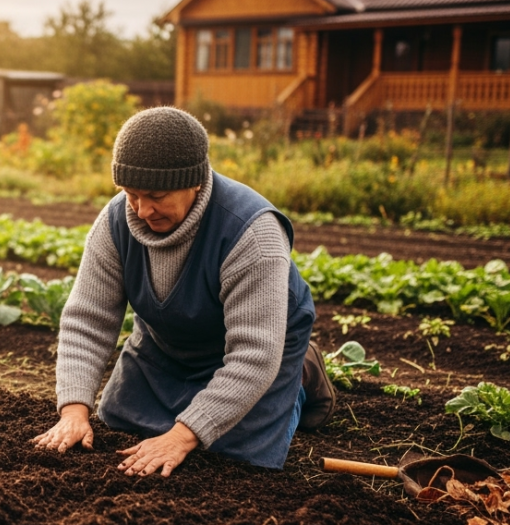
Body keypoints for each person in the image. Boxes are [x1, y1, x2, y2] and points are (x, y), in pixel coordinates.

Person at [31, 107, 334, 476]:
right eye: (130, 194)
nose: (142, 210)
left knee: (230, 456)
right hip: (168, 340)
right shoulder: (115, 222)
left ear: (195, 182)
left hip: (258, 344)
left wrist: (182, 436)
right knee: (121, 421)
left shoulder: (252, 233)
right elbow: (87, 319)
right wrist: (74, 411)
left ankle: (299, 376)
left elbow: (253, 353)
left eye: (156, 195)